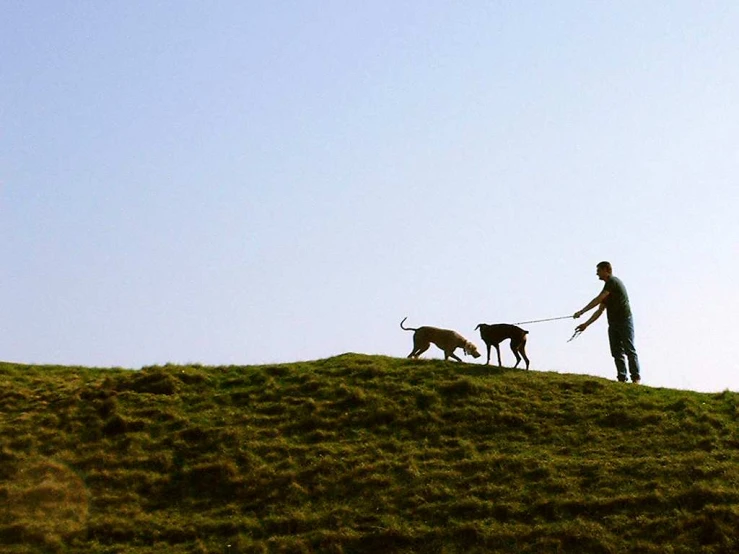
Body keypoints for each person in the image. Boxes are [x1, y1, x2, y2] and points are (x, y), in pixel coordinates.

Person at [573, 261, 641, 383]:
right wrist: (586, 324)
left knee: (629, 349)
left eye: (598, 271)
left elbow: (598, 299)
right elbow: (600, 310)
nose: (597, 274)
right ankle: (622, 378)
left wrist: (581, 311)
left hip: (625, 320)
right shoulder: (608, 288)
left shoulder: (612, 282)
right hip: (613, 323)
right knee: (616, 351)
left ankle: (635, 378)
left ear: (606, 270)